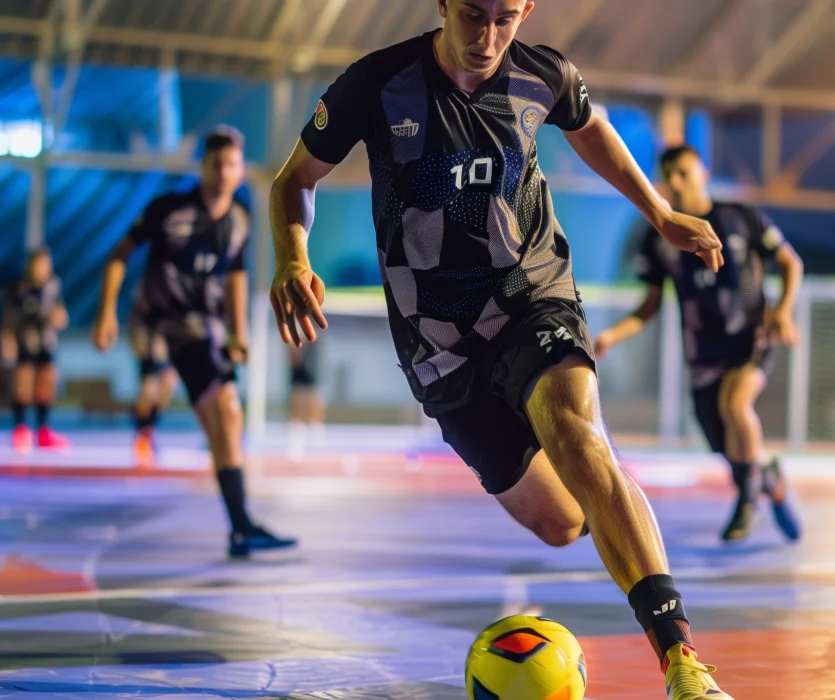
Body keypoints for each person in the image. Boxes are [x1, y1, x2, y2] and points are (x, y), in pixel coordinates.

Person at [269, 2, 734, 697]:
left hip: (530, 297)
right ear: (443, 4)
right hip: (439, 346)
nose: (487, 37)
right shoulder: (377, 84)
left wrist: (659, 213)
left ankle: (681, 663)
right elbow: (292, 181)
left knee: (577, 435)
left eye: (506, 18)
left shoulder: (541, 75)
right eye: (474, 15)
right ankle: (607, 507)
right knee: (562, 520)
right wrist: (292, 256)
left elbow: (592, 127)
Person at [93, 126, 297, 558]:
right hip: (164, 324)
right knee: (221, 411)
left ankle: (241, 524)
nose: (223, 172)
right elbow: (119, 255)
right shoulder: (170, 208)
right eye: (216, 163)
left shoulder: (239, 220)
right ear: (203, 167)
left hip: (208, 327)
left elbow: (237, 277)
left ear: (242, 169)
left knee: (228, 419)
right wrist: (106, 312)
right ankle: (240, 523)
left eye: (231, 164)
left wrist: (240, 332)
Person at [596, 144, 804, 543]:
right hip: (702, 356)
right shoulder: (659, 240)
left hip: (750, 340)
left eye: (685, 172)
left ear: (703, 173)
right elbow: (648, 307)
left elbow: (790, 262)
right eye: (669, 175)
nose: (677, 182)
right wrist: (611, 336)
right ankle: (769, 479)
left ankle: (747, 500)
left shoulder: (740, 218)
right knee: (731, 446)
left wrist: (783, 310)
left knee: (735, 404)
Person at [2, 248, 70, 452]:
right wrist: (7, 339)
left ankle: (43, 431)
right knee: (23, 382)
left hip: (46, 341)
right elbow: (8, 317)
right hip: (25, 340)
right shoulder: (19, 287)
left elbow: (61, 314)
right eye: (40, 263)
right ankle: (21, 429)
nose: (43, 268)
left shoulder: (53, 286)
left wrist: (59, 318)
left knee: (46, 382)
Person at [127, 290, 179, 461]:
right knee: (148, 390)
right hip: (149, 351)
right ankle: (143, 434)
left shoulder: (171, 303)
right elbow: (134, 331)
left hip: (164, 350)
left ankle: (148, 432)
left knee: (166, 389)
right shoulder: (140, 313)